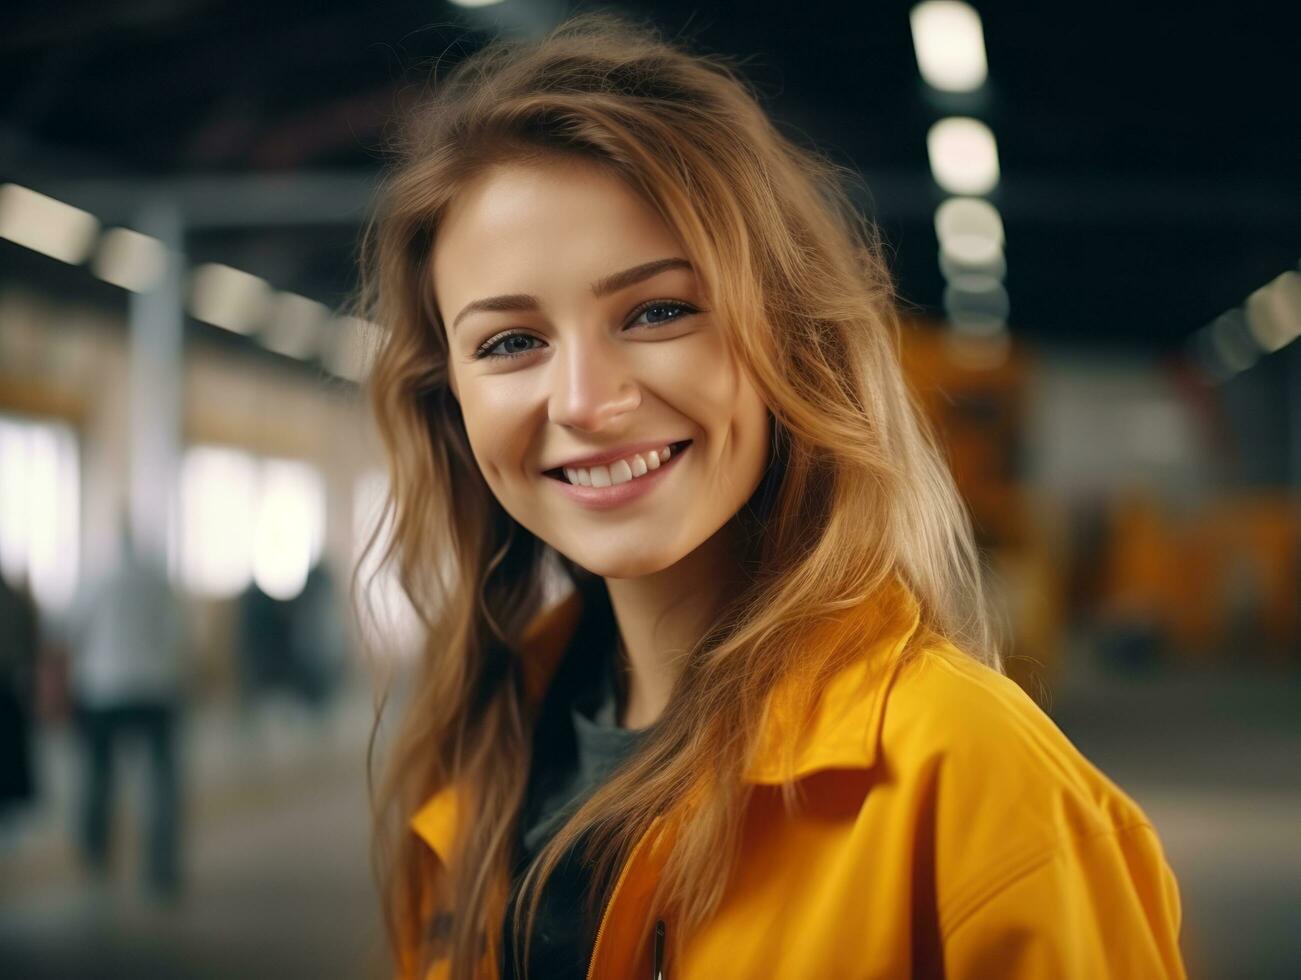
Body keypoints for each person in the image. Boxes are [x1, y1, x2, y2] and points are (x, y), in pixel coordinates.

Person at [362, 14, 1185, 979]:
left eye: (659, 311)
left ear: (789, 342)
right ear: (447, 400)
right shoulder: (478, 754)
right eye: (509, 342)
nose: (585, 402)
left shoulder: (976, 787)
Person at [68, 529, 185, 898]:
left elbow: (72, 628)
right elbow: (178, 633)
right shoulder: (158, 582)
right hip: (156, 687)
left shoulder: (96, 581)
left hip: (104, 689)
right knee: (161, 781)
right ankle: (161, 865)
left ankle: (96, 852)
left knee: (99, 774)